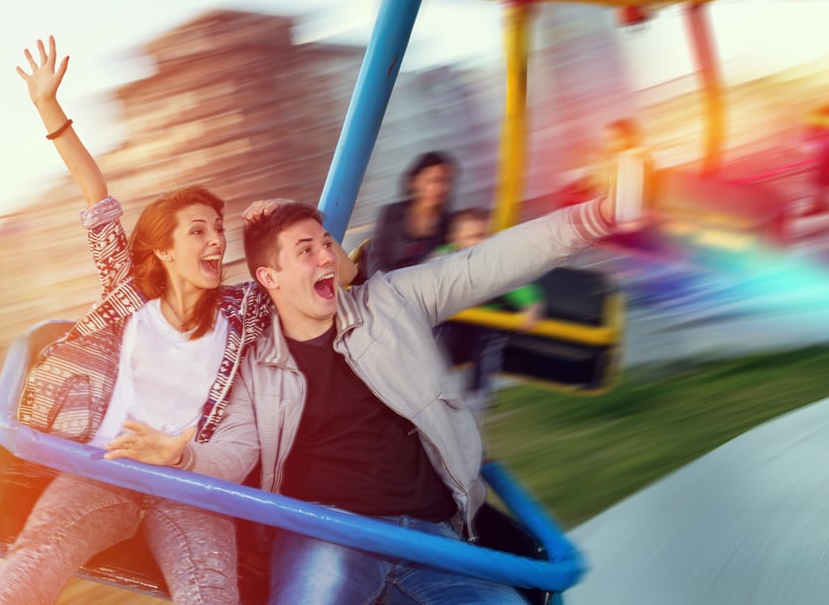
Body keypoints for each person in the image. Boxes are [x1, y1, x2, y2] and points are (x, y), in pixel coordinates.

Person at [0, 37, 357, 605]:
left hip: (187, 485)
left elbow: (339, 274)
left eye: (217, 227)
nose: (215, 240)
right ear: (162, 250)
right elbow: (95, 191)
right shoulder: (126, 293)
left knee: (209, 592)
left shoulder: (245, 308)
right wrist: (47, 107)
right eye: (198, 230)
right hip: (103, 471)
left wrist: (284, 213)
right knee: (38, 554)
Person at [164, 190, 622, 605]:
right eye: (306, 251)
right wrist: (182, 458)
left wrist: (593, 217)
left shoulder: (391, 301)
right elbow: (232, 452)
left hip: (431, 539)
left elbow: (485, 264)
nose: (326, 256)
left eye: (326, 243)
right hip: (331, 535)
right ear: (269, 277)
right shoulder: (256, 368)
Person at [431, 208, 545, 413]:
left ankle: (477, 395)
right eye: (472, 237)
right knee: (435, 340)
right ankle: (434, 390)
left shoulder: (494, 261)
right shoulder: (443, 257)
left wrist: (531, 307)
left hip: (486, 320)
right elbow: (422, 279)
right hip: (454, 320)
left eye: (483, 236)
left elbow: (517, 283)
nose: (478, 242)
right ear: (455, 239)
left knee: (486, 344)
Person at [364, 151, 457, 277]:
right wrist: (383, 284)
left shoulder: (449, 224)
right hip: (386, 283)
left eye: (446, 181)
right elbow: (376, 257)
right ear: (413, 182)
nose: (440, 187)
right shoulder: (391, 214)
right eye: (433, 180)